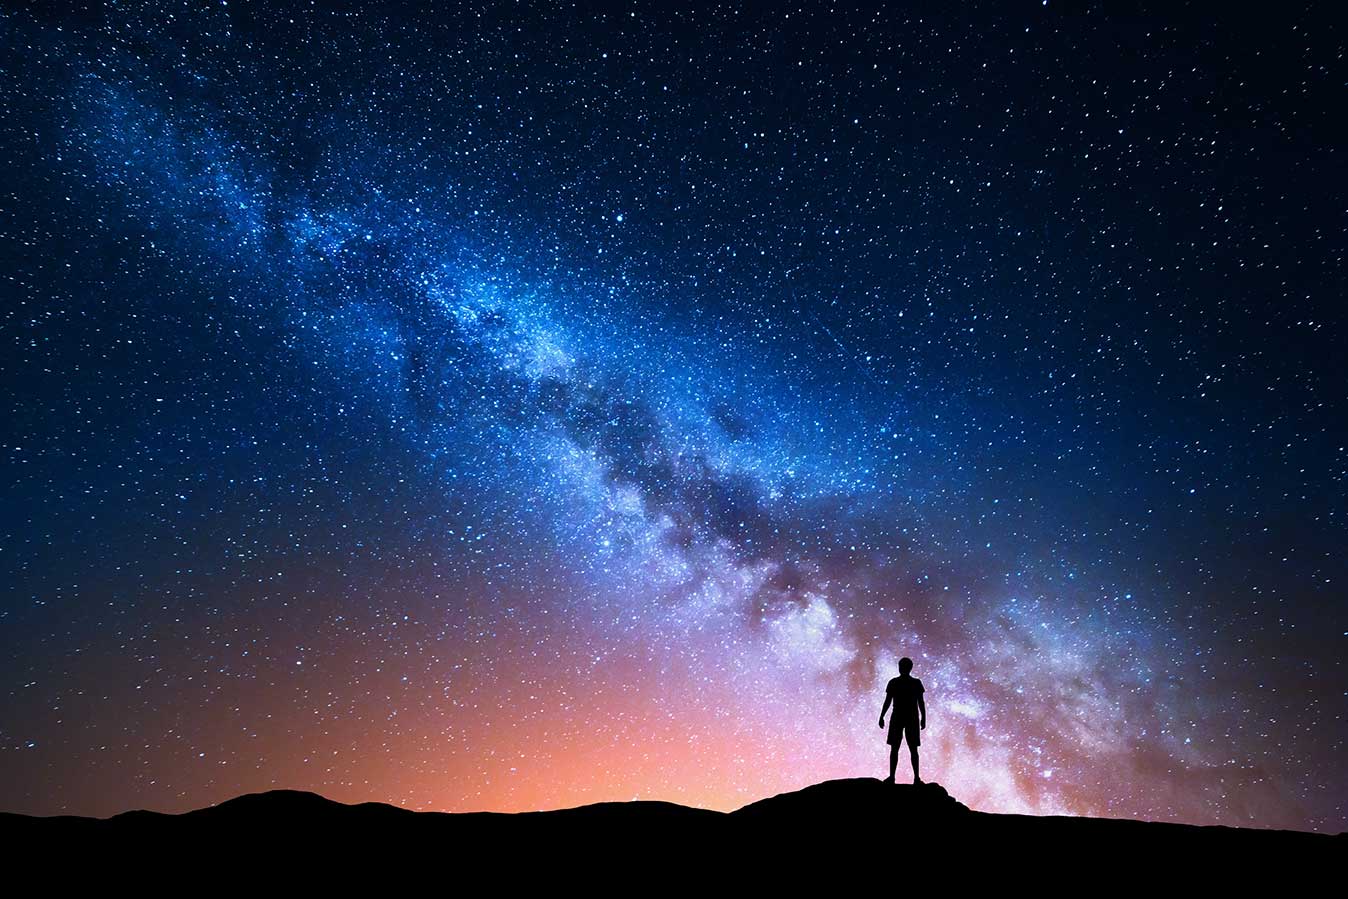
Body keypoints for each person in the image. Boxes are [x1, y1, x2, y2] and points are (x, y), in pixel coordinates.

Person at [878, 657, 926, 784]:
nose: (902, 669)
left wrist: (923, 718)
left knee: (909, 748)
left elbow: (921, 702)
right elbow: (888, 701)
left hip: (905, 718)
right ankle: (897, 777)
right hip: (904, 718)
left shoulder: (911, 683)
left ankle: (913, 777)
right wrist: (882, 715)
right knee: (899, 748)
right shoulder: (901, 682)